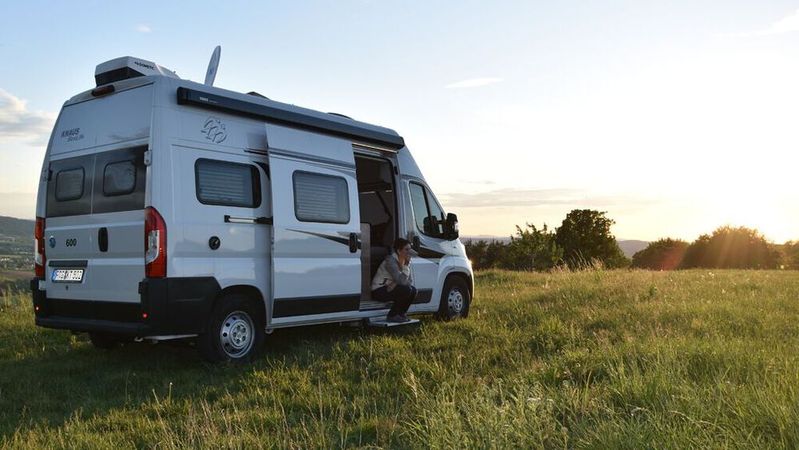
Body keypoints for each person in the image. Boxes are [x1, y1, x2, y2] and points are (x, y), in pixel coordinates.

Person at [371, 238, 418, 323]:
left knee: (413, 290)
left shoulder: (404, 261)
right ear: (399, 251)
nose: (409, 252)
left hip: (390, 288)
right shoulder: (390, 260)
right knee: (406, 290)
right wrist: (405, 268)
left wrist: (395, 283)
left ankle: (400, 314)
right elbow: (402, 281)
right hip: (379, 290)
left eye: (410, 249)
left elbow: (409, 282)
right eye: (406, 249)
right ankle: (392, 315)